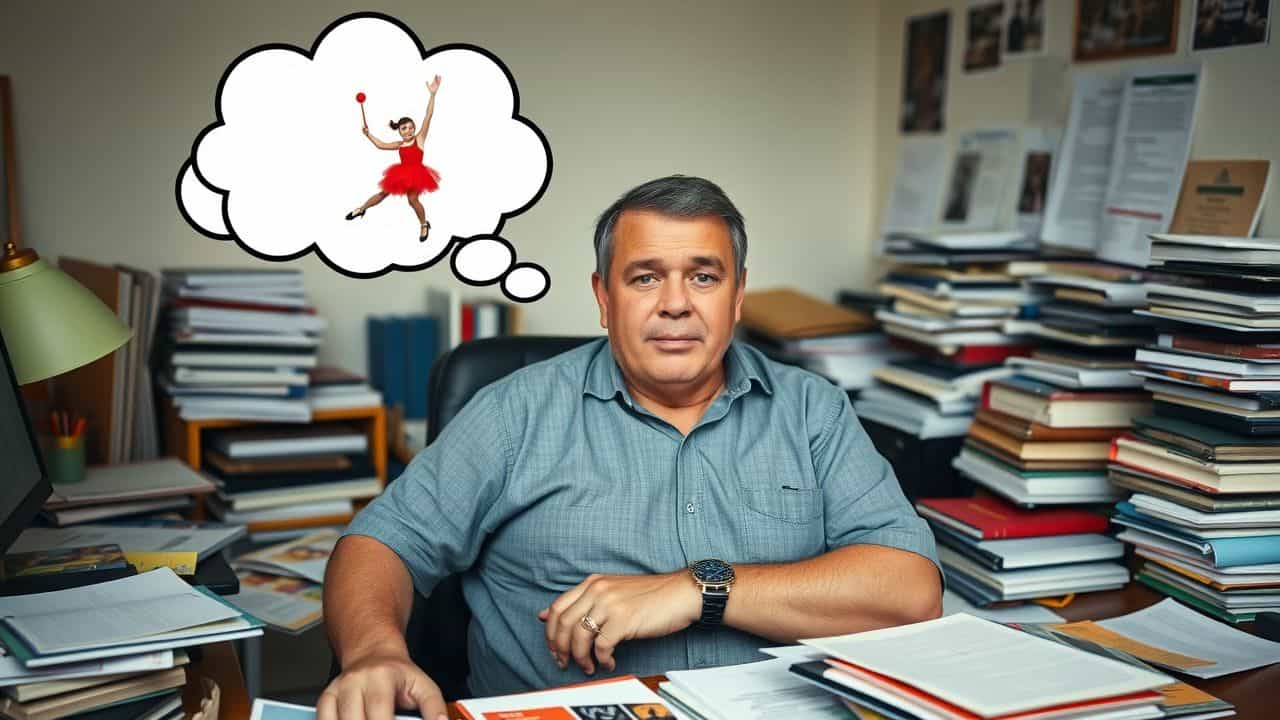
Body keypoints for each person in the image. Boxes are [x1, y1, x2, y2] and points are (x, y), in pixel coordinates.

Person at [320, 176, 942, 720]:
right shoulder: (514, 412)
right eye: (646, 278)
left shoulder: (813, 411)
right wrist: (375, 652)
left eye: (704, 276)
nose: (675, 303)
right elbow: (379, 544)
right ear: (603, 297)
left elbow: (911, 593)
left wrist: (699, 589)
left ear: (738, 295)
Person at [346, 75, 443, 241]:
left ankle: (423, 224)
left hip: (417, 175)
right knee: (383, 193)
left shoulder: (419, 139)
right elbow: (381, 145)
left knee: (412, 201)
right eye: (404, 128)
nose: (409, 130)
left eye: (411, 127)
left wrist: (432, 95)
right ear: (399, 130)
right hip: (401, 174)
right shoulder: (399, 144)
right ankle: (362, 208)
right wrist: (368, 135)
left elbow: (428, 116)